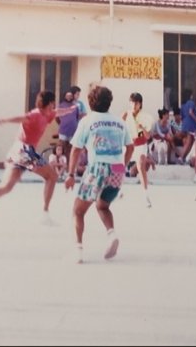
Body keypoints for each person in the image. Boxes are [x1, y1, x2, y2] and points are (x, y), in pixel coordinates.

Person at [0, 91, 76, 224]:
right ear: (49, 103)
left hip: (18, 151)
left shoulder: (47, 114)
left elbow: (58, 112)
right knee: (52, 176)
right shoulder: (36, 114)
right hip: (24, 150)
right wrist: (5, 120)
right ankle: (45, 214)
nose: (54, 105)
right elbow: (22, 118)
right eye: (53, 103)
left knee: (7, 186)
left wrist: (69, 110)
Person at [64, 85, 134, 264]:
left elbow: (76, 150)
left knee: (78, 211)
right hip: (117, 170)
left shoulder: (87, 121)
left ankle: (78, 250)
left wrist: (70, 174)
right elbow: (130, 146)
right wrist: (123, 166)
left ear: (90, 102)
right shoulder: (120, 122)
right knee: (102, 205)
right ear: (109, 102)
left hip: (97, 168)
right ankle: (112, 235)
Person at [122, 92, 156, 208]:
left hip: (140, 144)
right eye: (132, 102)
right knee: (119, 167)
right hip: (128, 144)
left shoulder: (146, 117)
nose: (134, 105)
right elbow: (120, 128)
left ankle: (146, 195)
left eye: (136, 103)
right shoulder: (126, 115)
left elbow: (147, 136)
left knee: (141, 166)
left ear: (140, 104)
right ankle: (117, 191)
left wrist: (141, 128)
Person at [179, 89, 196, 161]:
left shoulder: (183, 105)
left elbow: (181, 117)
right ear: (190, 95)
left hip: (185, 123)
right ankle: (181, 157)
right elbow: (190, 112)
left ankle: (184, 157)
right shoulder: (191, 102)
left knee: (190, 141)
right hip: (191, 124)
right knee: (189, 141)